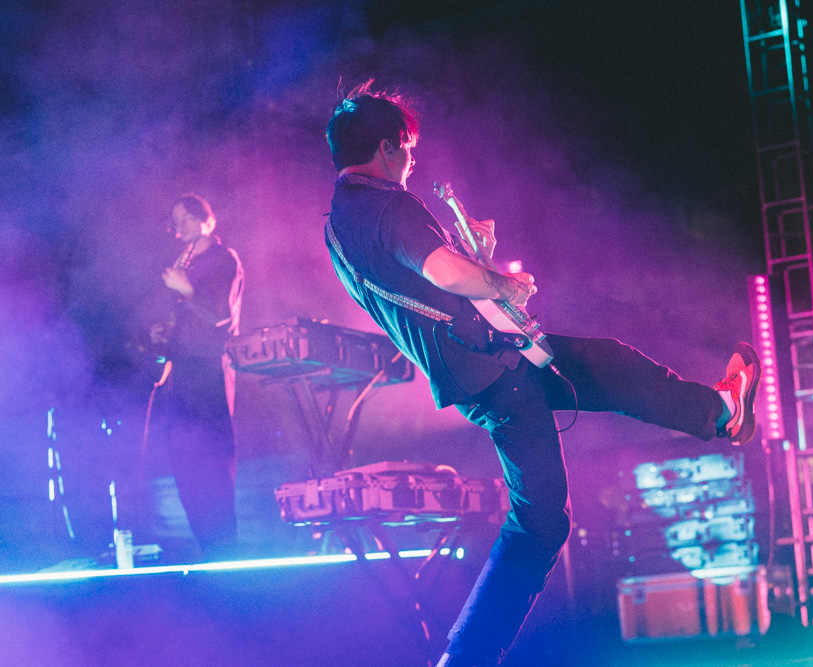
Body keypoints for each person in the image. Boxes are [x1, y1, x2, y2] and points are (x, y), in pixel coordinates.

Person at [323, 81, 759, 667]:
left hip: (486, 366)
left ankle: (721, 411)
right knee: (540, 522)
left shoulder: (340, 222)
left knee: (604, 366)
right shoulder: (386, 205)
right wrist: (499, 280)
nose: (413, 160)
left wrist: (478, 255)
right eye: (408, 148)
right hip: (495, 371)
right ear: (387, 145)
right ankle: (467, 657)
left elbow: (427, 282)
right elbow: (442, 272)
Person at [149, 193, 244, 561]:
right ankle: (208, 548)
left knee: (212, 461)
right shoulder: (185, 260)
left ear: (207, 221)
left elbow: (221, 314)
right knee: (184, 460)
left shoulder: (223, 258)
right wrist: (165, 332)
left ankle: (225, 551)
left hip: (209, 370)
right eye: (176, 220)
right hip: (183, 371)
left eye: (187, 218)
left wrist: (185, 287)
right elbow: (190, 315)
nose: (179, 227)